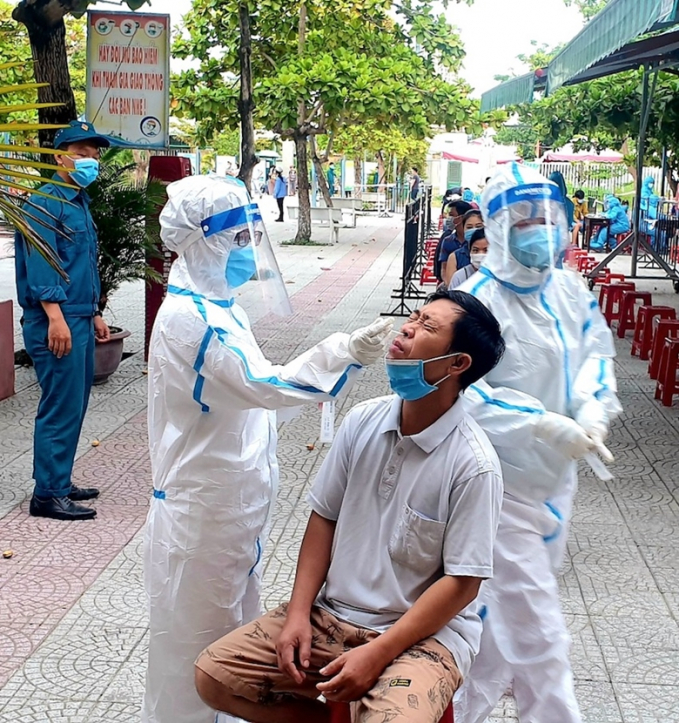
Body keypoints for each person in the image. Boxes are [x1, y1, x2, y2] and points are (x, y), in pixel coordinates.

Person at [143, 175, 393, 723]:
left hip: (227, 511)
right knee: (196, 648)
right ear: (202, 240)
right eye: (235, 239)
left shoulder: (219, 306)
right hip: (202, 515)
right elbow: (266, 386)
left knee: (232, 631)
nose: (246, 251)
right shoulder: (194, 321)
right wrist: (343, 349)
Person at [194, 289, 506, 723]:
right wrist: (299, 614)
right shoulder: (363, 420)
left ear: (457, 365)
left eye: (428, 327)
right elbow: (324, 519)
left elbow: (462, 583)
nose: (408, 329)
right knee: (215, 676)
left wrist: (378, 653)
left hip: (420, 638)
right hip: (332, 617)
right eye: (414, 317)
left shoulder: (473, 464)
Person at [455, 164, 621, 723]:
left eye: (549, 218)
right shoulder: (475, 301)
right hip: (498, 487)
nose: (539, 230)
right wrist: (541, 423)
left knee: (500, 632)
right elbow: (462, 391)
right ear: (497, 226)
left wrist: (593, 407)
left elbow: (595, 353)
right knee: (541, 632)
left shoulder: (570, 289)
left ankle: (454, 710)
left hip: (556, 483)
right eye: (524, 219)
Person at [14, 120, 111, 521]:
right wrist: (56, 318)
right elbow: (43, 266)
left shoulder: (77, 201)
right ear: (60, 157)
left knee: (75, 403)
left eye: (94, 155)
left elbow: (80, 264)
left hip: (78, 316)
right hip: (56, 320)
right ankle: (48, 495)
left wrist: (96, 313)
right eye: (81, 154)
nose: (89, 161)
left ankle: (59, 479)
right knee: (59, 405)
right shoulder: (43, 202)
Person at [435, 200, 472, 282]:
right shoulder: (448, 240)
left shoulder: (477, 240)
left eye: (451, 215)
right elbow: (443, 268)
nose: (448, 218)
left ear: (461, 217)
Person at [444, 209, 484, 285]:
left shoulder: (497, 255)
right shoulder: (455, 257)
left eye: (478, 226)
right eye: (469, 227)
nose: (474, 230)